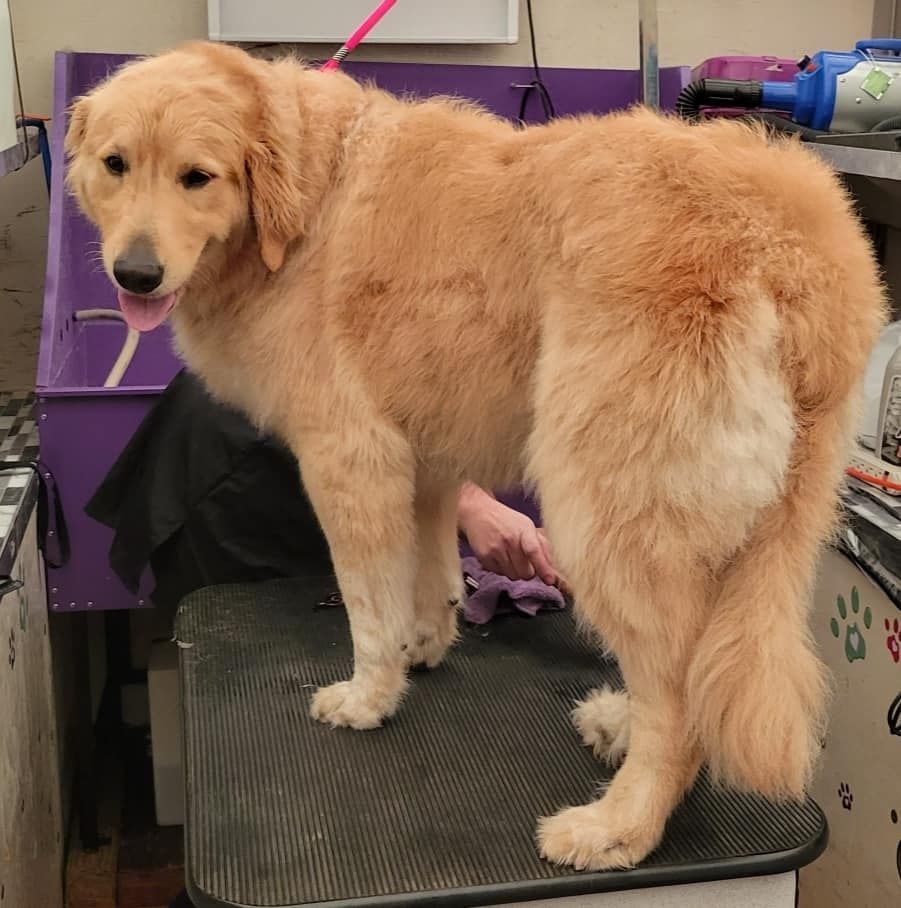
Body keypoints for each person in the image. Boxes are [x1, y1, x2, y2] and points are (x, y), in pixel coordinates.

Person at [88, 369, 559, 612]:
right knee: (263, 660)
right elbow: (353, 389)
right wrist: (470, 503)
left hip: (273, 429)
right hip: (242, 459)